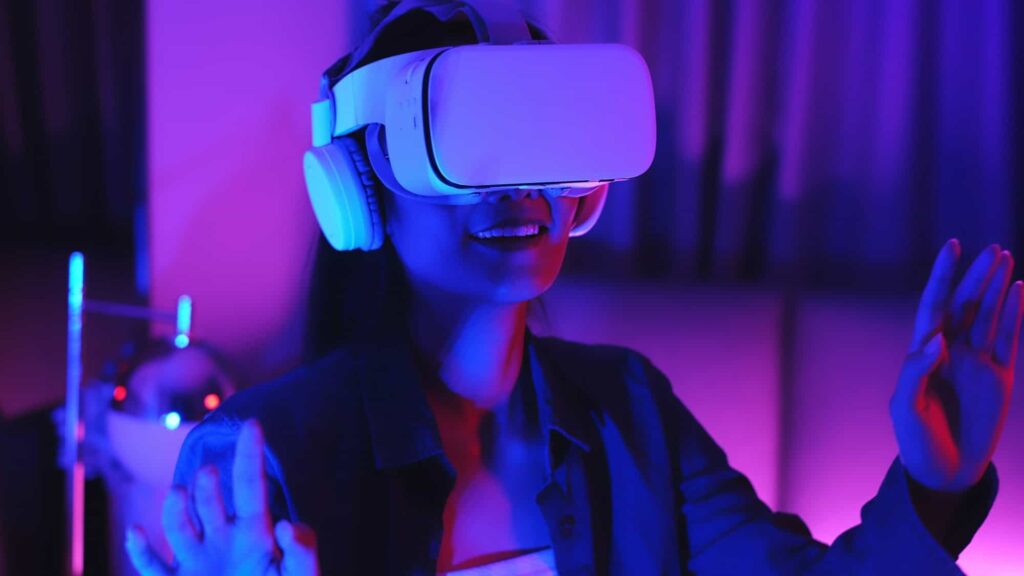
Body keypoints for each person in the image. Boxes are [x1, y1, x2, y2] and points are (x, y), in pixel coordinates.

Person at [126, 1, 1020, 575]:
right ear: (358, 193)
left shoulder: (631, 408)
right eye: (464, 152)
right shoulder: (259, 454)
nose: (517, 190)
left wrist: (935, 483)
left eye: (540, 145)